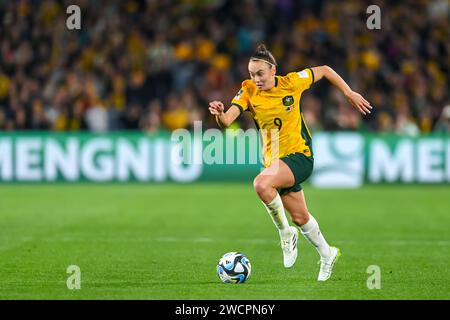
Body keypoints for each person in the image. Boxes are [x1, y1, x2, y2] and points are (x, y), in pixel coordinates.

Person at [208, 44, 372, 281]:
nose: (256, 78)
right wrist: (219, 114)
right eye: (252, 74)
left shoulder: (292, 82)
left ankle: (285, 234)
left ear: (273, 70)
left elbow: (325, 70)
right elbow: (227, 121)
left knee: (261, 185)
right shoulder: (248, 90)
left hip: (300, 156)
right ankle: (327, 254)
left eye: (260, 73)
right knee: (301, 217)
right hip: (274, 163)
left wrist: (348, 93)